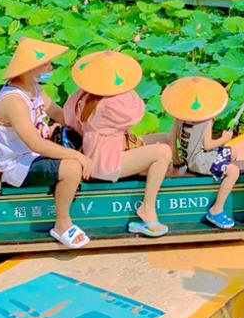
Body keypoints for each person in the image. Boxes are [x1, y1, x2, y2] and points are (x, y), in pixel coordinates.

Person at [0, 37, 92, 248]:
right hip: (19, 165)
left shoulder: (34, 89)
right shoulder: (14, 101)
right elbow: (35, 144)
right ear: (29, 68)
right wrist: (77, 155)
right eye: (46, 63)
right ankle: (62, 224)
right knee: (72, 167)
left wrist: (89, 126)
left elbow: (57, 113)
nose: (51, 67)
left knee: (80, 143)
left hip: (36, 156)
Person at [63, 50, 172, 237]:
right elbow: (136, 113)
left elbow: (69, 119)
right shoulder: (109, 104)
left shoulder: (81, 96)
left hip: (97, 152)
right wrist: (127, 84)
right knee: (163, 151)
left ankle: (163, 173)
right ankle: (148, 208)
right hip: (106, 165)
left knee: (162, 137)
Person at [161, 76, 240, 229]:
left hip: (189, 159)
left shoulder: (180, 116)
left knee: (233, 152)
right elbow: (209, 145)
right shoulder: (206, 118)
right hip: (201, 161)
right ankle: (216, 209)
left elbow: (171, 140)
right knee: (234, 171)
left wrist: (177, 161)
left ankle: (219, 178)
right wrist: (225, 138)